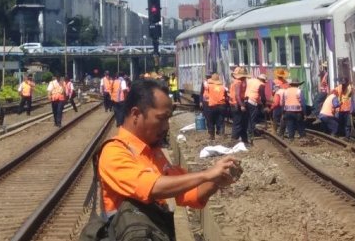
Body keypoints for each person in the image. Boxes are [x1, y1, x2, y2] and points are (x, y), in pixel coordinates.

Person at [97, 79, 239, 230]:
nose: (166, 126)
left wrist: (217, 179)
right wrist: (206, 175)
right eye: (161, 118)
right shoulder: (114, 153)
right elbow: (151, 188)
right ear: (136, 114)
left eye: (168, 119)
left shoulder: (153, 152)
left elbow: (190, 193)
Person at [244, 73, 267, 140]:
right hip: (253, 102)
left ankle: (248, 132)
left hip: (246, 100)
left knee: (248, 118)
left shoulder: (250, 80)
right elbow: (262, 96)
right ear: (263, 80)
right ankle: (250, 134)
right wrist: (264, 105)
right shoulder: (261, 84)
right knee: (252, 118)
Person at [229, 67, 249, 143]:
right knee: (238, 123)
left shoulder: (237, 81)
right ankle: (235, 140)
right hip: (237, 104)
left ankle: (243, 140)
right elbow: (237, 95)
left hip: (235, 104)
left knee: (241, 123)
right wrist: (242, 105)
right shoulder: (238, 83)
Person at [205, 73, 227, 140]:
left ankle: (212, 136)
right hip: (221, 106)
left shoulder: (208, 86)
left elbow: (206, 96)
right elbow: (226, 96)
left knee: (210, 121)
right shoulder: (223, 87)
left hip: (212, 106)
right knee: (221, 120)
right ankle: (221, 134)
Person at [270, 68, 290, 136]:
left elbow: (273, 92)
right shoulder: (286, 82)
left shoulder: (274, 82)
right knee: (283, 117)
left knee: (275, 117)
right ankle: (283, 132)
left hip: (277, 100)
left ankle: (275, 131)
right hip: (285, 102)